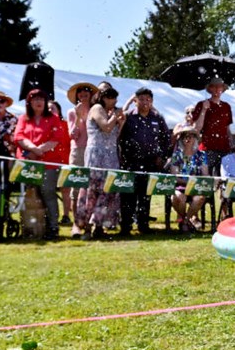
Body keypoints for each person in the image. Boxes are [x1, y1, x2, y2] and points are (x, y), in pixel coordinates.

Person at [13, 89, 69, 240]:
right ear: (29, 102)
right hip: (28, 163)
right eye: (35, 99)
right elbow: (18, 137)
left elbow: (56, 138)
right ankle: (30, 227)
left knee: (48, 194)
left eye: (41, 99)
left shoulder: (54, 118)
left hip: (48, 163)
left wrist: (39, 150)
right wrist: (32, 149)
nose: (39, 102)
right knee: (29, 194)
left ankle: (52, 227)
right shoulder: (23, 118)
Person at [118, 87, 171, 235]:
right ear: (135, 101)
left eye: (148, 99)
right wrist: (123, 156)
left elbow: (166, 139)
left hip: (150, 162)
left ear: (152, 101)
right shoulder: (128, 117)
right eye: (141, 99)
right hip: (131, 162)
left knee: (145, 195)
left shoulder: (157, 118)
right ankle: (126, 226)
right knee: (128, 195)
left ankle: (143, 225)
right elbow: (120, 138)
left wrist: (162, 156)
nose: (145, 102)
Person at [78, 83, 125, 239]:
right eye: (109, 97)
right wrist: (114, 116)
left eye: (114, 97)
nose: (112, 100)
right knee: (93, 191)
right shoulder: (97, 109)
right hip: (97, 155)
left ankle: (100, 226)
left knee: (109, 191)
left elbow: (114, 136)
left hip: (111, 155)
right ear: (102, 97)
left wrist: (121, 121)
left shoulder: (110, 112)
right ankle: (87, 226)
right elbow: (105, 127)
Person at [65, 82, 97, 232]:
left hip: (94, 151)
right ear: (77, 95)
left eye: (86, 91)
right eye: (80, 92)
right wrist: (78, 117)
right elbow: (72, 135)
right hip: (78, 151)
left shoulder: (96, 110)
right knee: (76, 186)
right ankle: (76, 223)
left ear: (91, 94)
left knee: (91, 187)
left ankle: (89, 222)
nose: (83, 93)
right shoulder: (72, 111)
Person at [191, 77, 234, 179]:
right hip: (207, 148)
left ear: (223, 89)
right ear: (209, 89)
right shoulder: (201, 104)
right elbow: (196, 128)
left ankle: (221, 195)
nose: (217, 89)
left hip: (224, 148)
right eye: (214, 86)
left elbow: (227, 128)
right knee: (206, 179)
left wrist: (232, 142)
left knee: (222, 179)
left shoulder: (227, 106)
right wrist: (204, 110)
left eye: (219, 87)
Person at [169, 125, 210, 231]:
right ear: (181, 140)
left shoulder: (201, 155)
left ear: (195, 139)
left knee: (199, 198)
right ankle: (185, 221)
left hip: (196, 186)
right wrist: (186, 182)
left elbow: (205, 174)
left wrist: (198, 181)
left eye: (190, 136)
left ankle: (185, 221)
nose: (187, 139)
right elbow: (175, 176)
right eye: (185, 137)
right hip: (180, 185)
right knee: (176, 197)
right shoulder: (176, 155)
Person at [0, 91, 18, 239]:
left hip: (7, 160)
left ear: (6, 103)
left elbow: (15, 141)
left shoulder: (13, 119)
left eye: (2, 101)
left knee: (3, 192)